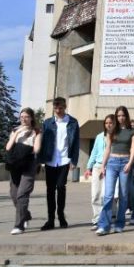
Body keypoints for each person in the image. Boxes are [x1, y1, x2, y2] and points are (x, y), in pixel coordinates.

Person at [37, 97, 80, 230]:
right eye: (56, 108)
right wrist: (40, 160)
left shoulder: (72, 122)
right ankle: (50, 220)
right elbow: (43, 142)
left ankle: (61, 215)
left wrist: (74, 160)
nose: (58, 110)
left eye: (61, 107)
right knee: (50, 190)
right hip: (50, 160)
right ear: (53, 108)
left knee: (61, 187)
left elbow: (76, 143)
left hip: (64, 159)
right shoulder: (48, 123)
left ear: (65, 107)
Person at [95, 106, 134, 235]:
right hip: (112, 163)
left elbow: (133, 148)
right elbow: (108, 148)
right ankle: (104, 225)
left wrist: (130, 163)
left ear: (126, 116)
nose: (121, 118)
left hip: (125, 163)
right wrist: (103, 165)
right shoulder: (112, 130)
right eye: (118, 115)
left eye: (123, 115)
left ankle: (120, 224)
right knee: (108, 195)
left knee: (123, 195)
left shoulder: (133, 130)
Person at [5, 108, 42, 235]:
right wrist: (16, 133)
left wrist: (25, 151)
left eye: (26, 116)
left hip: (29, 164)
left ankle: (19, 225)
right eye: (22, 117)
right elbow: (8, 147)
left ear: (31, 118)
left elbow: (36, 149)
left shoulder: (36, 131)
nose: (24, 119)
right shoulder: (15, 130)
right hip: (15, 165)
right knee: (14, 194)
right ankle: (26, 215)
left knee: (22, 194)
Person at [84, 115, 114, 230]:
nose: (108, 125)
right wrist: (88, 167)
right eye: (106, 123)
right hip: (97, 167)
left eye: (111, 123)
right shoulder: (99, 137)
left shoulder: (116, 136)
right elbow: (94, 152)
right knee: (95, 194)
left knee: (107, 195)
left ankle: (108, 217)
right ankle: (96, 219)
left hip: (111, 167)